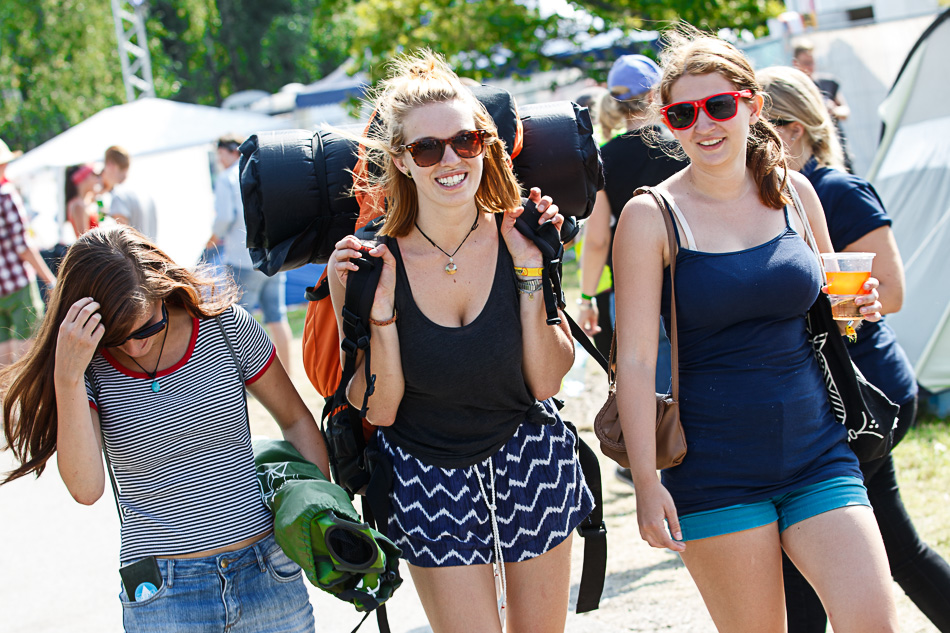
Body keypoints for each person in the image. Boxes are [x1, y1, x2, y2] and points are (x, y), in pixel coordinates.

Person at [612, 27, 899, 632]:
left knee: (874, 622)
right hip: (715, 472)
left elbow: (833, 312)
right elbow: (633, 361)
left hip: (819, 453)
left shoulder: (795, 193)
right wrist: (645, 483)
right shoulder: (649, 216)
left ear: (752, 105)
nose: (703, 124)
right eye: (683, 113)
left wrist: (857, 306)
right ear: (668, 122)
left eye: (719, 105)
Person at [327, 51, 594, 632]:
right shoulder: (367, 264)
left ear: (486, 146)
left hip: (529, 455)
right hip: (424, 472)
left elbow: (546, 381)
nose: (450, 160)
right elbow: (380, 408)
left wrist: (530, 272)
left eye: (465, 141)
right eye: (427, 148)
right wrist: (381, 318)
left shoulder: (524, 233)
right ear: (401, 160)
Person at [0, 225, 328, 632]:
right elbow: (86, 489)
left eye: (146, 328)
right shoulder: (87, 368)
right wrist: (67, 376)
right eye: (115, 337)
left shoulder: (225, 327)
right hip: (163, 597)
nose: (133, 346)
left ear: (162, 288)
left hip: (267, 573)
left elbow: (296, 420)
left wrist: (319, 515)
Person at [758, 64, 950, 632]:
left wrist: (832, 297)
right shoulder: (765, 199)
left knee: (874, 548)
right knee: (852, 548)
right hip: (823, 393)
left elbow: (891, 290)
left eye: (759, 127)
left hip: (866, 390)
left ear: (793, 130)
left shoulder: (837, 191)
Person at [579, 55, 687, 490]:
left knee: (645, 378)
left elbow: (597, 239)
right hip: (691, 280)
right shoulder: (684, 146)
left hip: (633, 288)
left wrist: (587, 296)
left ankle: (650, 463)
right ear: (658, 95)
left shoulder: (604, 158)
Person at [210, 134, 294, 374]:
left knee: (238, 325)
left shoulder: (227, 178)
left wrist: (212, 238)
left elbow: (224, 217)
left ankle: (244, 379)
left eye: (220, 154)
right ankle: (287, 375)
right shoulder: (262, 172)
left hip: (242, 258)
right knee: (277, 317)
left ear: (228, 152)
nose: (219, 160)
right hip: (273, 254)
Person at [0, 139, 57, 366]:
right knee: (31, 350)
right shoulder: (6, 195)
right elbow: (22, 246)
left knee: (4, 358)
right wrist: (50, 280)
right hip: (18, 283)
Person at [792, 41, 853, 173]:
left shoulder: (828, 83)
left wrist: (832, 110)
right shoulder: (793, 89)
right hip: (812, 152)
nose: (810, 67)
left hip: (836, 145)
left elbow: (845, 111)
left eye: (812, 62)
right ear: (795, 63)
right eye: (806, 63)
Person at [65, 163, 101, 237]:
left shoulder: (86, 202)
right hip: (93, 244)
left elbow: (101, 219)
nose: (97, 180)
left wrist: (99, 201)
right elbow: (83, 238)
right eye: (94, 175)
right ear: (83, 178)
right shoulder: (79, 205)